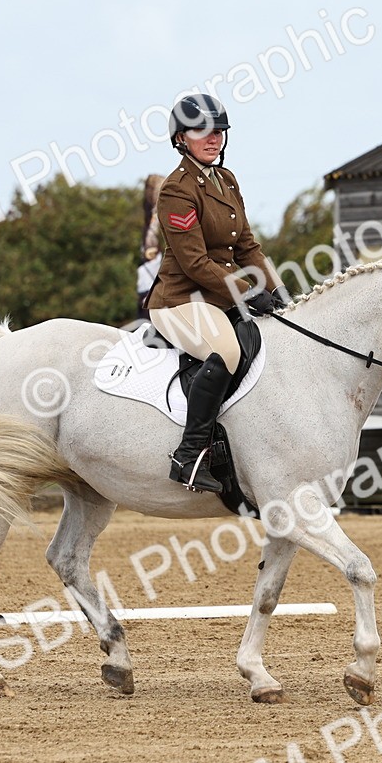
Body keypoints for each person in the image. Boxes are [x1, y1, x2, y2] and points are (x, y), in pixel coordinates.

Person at [145, 93, 291, 493]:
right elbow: (194, 264)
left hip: (219, 297)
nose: (213, 138)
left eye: (219, 130)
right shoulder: (176, 190)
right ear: (180, 138)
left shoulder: (226, 181)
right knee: (226, 350)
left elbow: (248, 247)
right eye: (201, 131)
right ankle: (189, 456)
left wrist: (279, 292)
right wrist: (248, 292)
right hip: (180, 300)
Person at [135, 246, 162, 320]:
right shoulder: (155, 265)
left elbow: (139, 284)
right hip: (151, 292)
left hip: (141, 294)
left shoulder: (140, 269)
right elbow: (160, 255)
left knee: (143, 317)